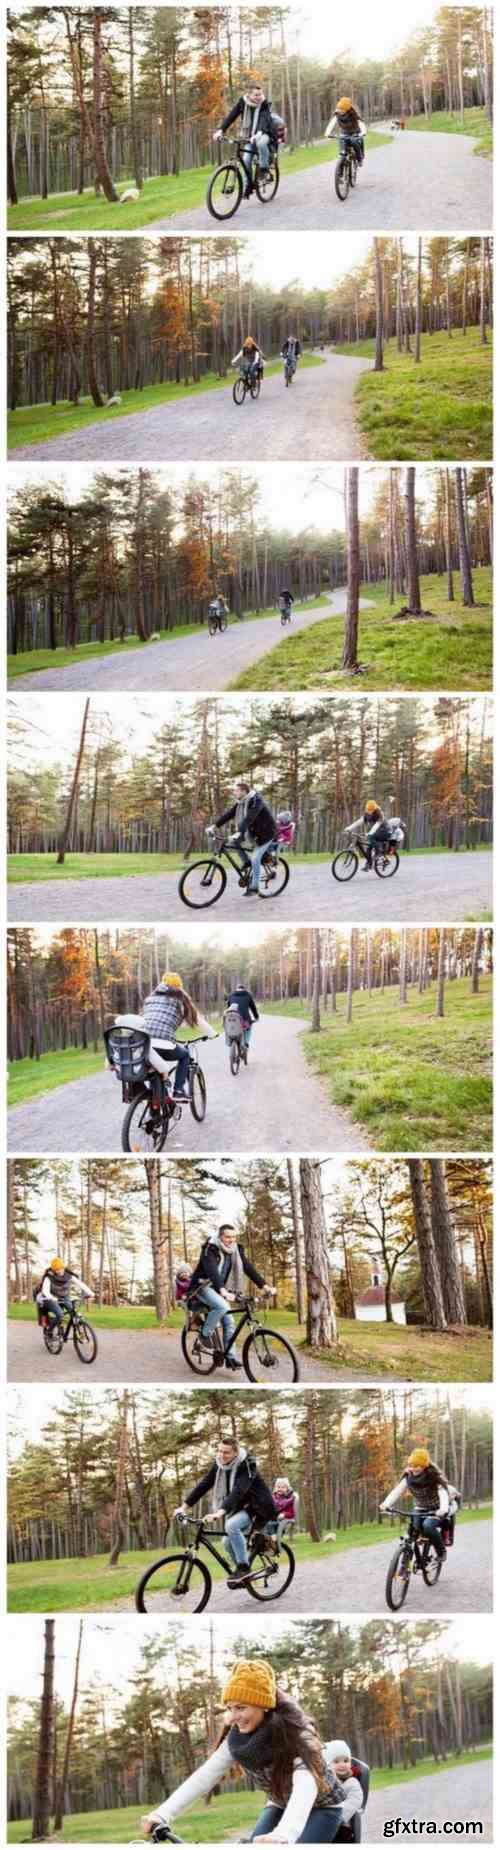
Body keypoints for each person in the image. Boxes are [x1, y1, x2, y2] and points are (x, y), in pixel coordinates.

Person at [141, 1658, 349, 1842]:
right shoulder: (238, 1738)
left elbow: (306, 1786)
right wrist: (163, 1814)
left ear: (264, 1705)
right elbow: (205, 1776)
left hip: (322, 1807)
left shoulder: (298, 1733)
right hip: (279, 1804)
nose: (233, 1716)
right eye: (230, 1708)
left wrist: (285, 1834)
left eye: (241, 1708)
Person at [175, 1434, 277, 1588]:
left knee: (231, 1526)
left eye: (226, 1452)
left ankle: (244, 1568)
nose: (221, 1455)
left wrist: (220, 1512)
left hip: (258, 1507)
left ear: (236, 1453)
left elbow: (239, 1491)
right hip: (241, 1506)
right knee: (227, 1542)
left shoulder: (247, 1464)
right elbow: (204, 1485)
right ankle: (243, 1576)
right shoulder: (220, 1464)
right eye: (220, 1451)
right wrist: (183, 1507)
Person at [188, 1222, 274, 1370]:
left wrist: (265, 1286)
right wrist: (223, 1291)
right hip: (203, 1286)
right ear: (220, 1236)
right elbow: (212, 1270)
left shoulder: (236, 1251)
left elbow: (248, 1268)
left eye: (234, 1237)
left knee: (229, 1322)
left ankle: (230, 1358)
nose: (231, 1240)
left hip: (221, 1289)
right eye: (228, 1237)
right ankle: (204, 1333)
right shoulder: (210, 1248)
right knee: (221, 1307)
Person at [142, 970, 214, 1101]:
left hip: (142, 1042)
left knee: (155, 1068)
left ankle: (156, 1108)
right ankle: (178, 1090)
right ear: (179, 985)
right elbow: (197, 1020)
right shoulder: (180, 998)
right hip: (163, 1042)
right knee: (185, 1055)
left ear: (162, 983)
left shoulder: (150, 999)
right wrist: (212, 1033)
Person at [380, 1446, 459, 1561]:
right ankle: (405, 1564)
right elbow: (397, 1491)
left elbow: (443, 1494)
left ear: (424, 1466)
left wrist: (442, 1510)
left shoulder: (433, 1477)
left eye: (417, 1466)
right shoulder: (409, 1477)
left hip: (437, 1509)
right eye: (411, 1465)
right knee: (414, 1527)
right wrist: (386, 1504)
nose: (413, 1468)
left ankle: (441, 1551)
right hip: (421, 1507)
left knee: (427, 1526)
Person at [214, 79, 285, 197]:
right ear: (249, 95)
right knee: (246, 159)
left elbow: (264, 119)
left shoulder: (264, 104)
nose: (259, 97)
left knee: (261, 143)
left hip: (265, 132)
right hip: (249, 135)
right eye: (256, 95)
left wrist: (259, 133)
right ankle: (248, 186)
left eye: (260, 94)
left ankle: (264, 171)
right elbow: (232, 116)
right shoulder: (243, 102)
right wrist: (221, 130)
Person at [216, 779, 278, 895]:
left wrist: (239, 832)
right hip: (253, 833)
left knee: (255, 858)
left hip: (267, 833)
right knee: (235, 843)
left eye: (237, 791)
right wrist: (215, 826)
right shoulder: (241, 803)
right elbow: (229, 814)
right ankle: (247, 862)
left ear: (244, 791)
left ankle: (254, 887)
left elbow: (249, 818)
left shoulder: (256, 801)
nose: (235, 793)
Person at [34, 1256, 92, 1327]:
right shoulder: (48, 1278)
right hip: (51, 1298)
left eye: (61, 1268)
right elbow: (45, 1291)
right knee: (60, 1314)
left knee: (74, 1313)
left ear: (63, 1267)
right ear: (53, 1270)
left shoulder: (69, 1276)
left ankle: (78, 1332)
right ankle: (50, 1330)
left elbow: (80, 1284)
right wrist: (52, 1298)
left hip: (65, 1297)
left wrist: (90, 1293)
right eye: (57, 1270)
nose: (60, 1271)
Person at [324, 1743, 364, 1832]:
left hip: (340, 1826)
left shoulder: (351, 1783)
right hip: (320, 1820)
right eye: (336, 1761)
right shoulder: (323, 1782)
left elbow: (354, 1800)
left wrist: (337, 1817)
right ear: (327, 1764)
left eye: (346, 1761)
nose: (342, 1765)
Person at [345, 799, 392, 871]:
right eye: (368, 810)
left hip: (386, 831)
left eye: (371, 810)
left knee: (371, 837)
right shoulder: (367, 813)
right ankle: (369, 865)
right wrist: (349, 828)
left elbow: (377, 825)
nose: (369, 811)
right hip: (377, 831)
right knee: (368, 849)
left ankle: (379, 852)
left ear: (375, 808)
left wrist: (370, 833)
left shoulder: (379, 813)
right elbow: (359, 822)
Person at [324, 97, 365, 164]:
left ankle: (359, 158)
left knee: (354, 141)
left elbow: (361, 123)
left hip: (355, 132)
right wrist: (327, 133)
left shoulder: (353, 114)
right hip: (345, 133)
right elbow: (331, 123)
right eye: (339, 108)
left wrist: (363, 133)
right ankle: (341, 164)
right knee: (342, 141)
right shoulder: (337, 114)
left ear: (347, 109)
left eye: (342, 109)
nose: (340, 110)